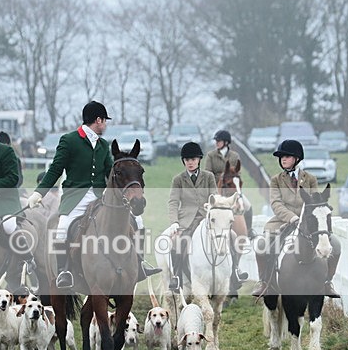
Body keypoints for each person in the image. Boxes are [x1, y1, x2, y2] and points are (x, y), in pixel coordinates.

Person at [27, 101, 159, 289]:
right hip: (76, 197)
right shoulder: (69, 140)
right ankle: (64, 271)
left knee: (138, 221)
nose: (105, 125)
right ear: (98, 120)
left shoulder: (103, 144)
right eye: (105, 121)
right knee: (62, 227)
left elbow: (110, 173)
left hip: (100, 196)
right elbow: (56, 169)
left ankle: (139, 264)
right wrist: (38, 193)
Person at [251, 139, 341, 298]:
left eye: (287, 156)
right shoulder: (276, 180)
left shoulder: (310, 179)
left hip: (308, 222)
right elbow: (276, 203)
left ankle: (327, 282)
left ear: (297, 158)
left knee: (336, 244)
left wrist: (306, 218)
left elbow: (315, 201)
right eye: (281, 157)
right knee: (262, 245)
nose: (283, 159)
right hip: (282, 221)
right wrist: (292, 217)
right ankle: (264, 281)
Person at [165, 142, 221, 291]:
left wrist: (213, 209)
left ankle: (234, 272)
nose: (190, 162)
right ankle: (176, 277)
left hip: (206, 217)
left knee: (232, 236)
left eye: (193, 159)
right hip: (187, 221)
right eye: (187, 160)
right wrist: (174, 222)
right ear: (183, 161)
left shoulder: (208, 177)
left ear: (199, 160)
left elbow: (214, 196)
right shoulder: (178, 179)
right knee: (177, 242)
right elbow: (173, 202)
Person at [204, 129, 255, 238]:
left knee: (248, 206)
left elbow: (237, 173)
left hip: (231, 188)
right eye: (216, 141)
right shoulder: (211, 156)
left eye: (219, 141)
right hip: (216, 188)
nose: (216, 143)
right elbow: (208, 173)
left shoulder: (234, 156)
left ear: (226, 142)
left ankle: (249, 231)